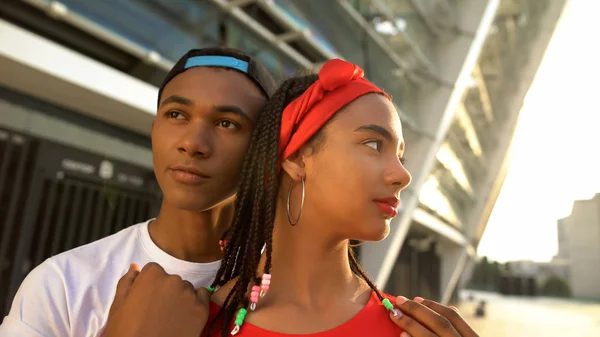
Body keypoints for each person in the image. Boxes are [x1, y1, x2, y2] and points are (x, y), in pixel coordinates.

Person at [0, 47, 276, 337]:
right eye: (176, 114)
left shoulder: (286, 287)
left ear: (265, 150)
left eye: (227, 123)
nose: (193, 143)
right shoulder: (63, 283)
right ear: (154, 129)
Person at [204, 59, 480, 337]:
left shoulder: (415, 331)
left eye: (400, 156)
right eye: (373, 144)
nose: (403, 175)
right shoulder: (192, 321)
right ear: (297, 158)